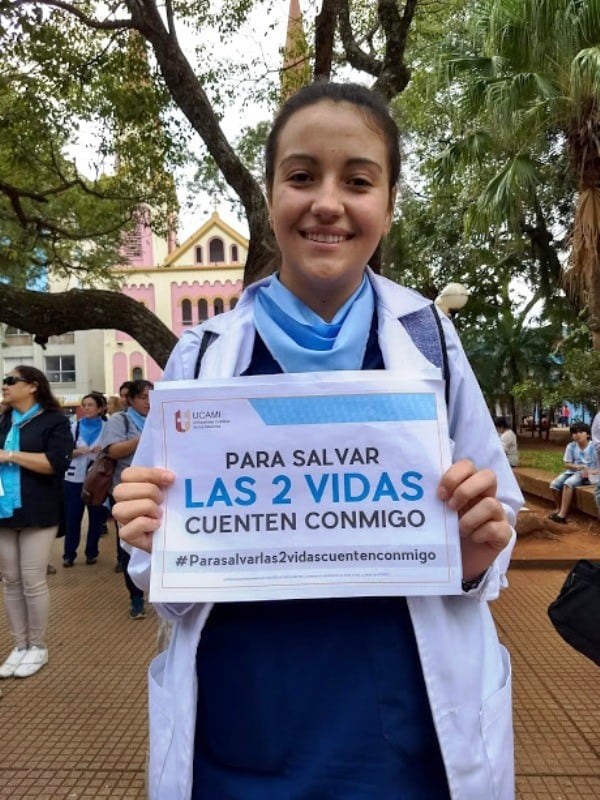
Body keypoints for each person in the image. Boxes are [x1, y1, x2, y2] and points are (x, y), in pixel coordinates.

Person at [113, 82, 523, 800]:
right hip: (236, 744)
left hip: (404, 746)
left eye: (358, 181)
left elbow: (495, 527)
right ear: (270, 196)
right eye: (301, 176)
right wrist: (148, 541)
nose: (327, 202)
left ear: (388, 205)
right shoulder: (203, 354)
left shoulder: (430, 339)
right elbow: (163, 577)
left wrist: (477, 552)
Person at [0, 366, 72, 678]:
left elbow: (55, 463)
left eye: (10, 381)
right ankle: (20, 646)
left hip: (39, 510)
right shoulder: (2, 420)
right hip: (4, 510)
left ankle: (38, 646)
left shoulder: (54, 421)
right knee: (10, 580)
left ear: (32, 386)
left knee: (32, 580)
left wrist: (9, 456)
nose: (4, 386)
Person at [101, 379, 153, 619]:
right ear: (130, 399)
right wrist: (143, 440)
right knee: (129, 545)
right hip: (125, 492)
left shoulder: (161, 417)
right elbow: (112, 451)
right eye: (144, 397)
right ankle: (135, 598)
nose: (149, 401)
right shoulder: (119, 420)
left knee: (153, 541)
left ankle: (155, 589)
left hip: (155, 491)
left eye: (152, 396)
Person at [62, 393, 107, 567]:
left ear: (100, 408)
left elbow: (113, 449)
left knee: (96, 517)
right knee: (72, 517)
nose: (86, 408)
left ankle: (91, 552)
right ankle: (69, 554)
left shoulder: (107, 427)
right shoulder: (74, 427)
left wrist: (102, 450)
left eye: (90, 405)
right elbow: (63, 452)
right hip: (74, 478)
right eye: (84, 405)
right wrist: (77, 451)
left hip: (97, 479)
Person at [548, 422, 597, 524]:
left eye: (581, 432)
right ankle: (559, 508)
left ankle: (562, 515)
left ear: (588, 434)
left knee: (568, 483)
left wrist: (591, 471)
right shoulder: (571, 446)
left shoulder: (594, 447)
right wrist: (577, 467)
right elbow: (567, 464)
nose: (577, 434)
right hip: (573, 471)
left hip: (589, 474)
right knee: (554, 485)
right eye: (574, 432)